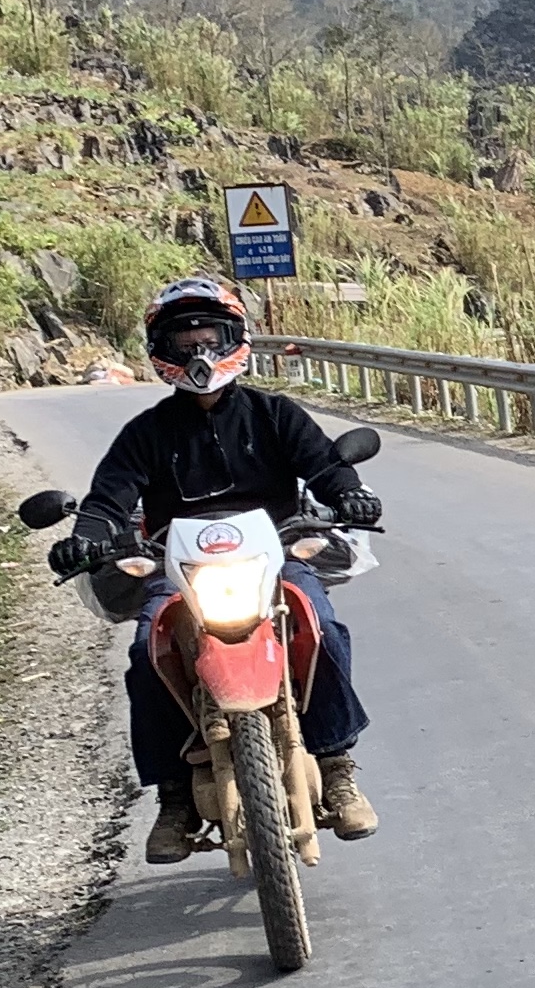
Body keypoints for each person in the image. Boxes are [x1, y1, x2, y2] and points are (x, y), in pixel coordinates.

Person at [52, 276, 385, 861]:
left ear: (235, 339)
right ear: (162, 350)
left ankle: (336, 766)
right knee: (146, 653)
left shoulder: (275, 415)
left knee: (323, 628)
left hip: (275, 557)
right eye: (183, 341)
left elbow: (327, 467)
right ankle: (173, 797)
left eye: (209, 336)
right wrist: (84, 538)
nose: (198, 351)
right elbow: (108, 499)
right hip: (179, 569)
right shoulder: (146, 433)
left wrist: (351, 494)